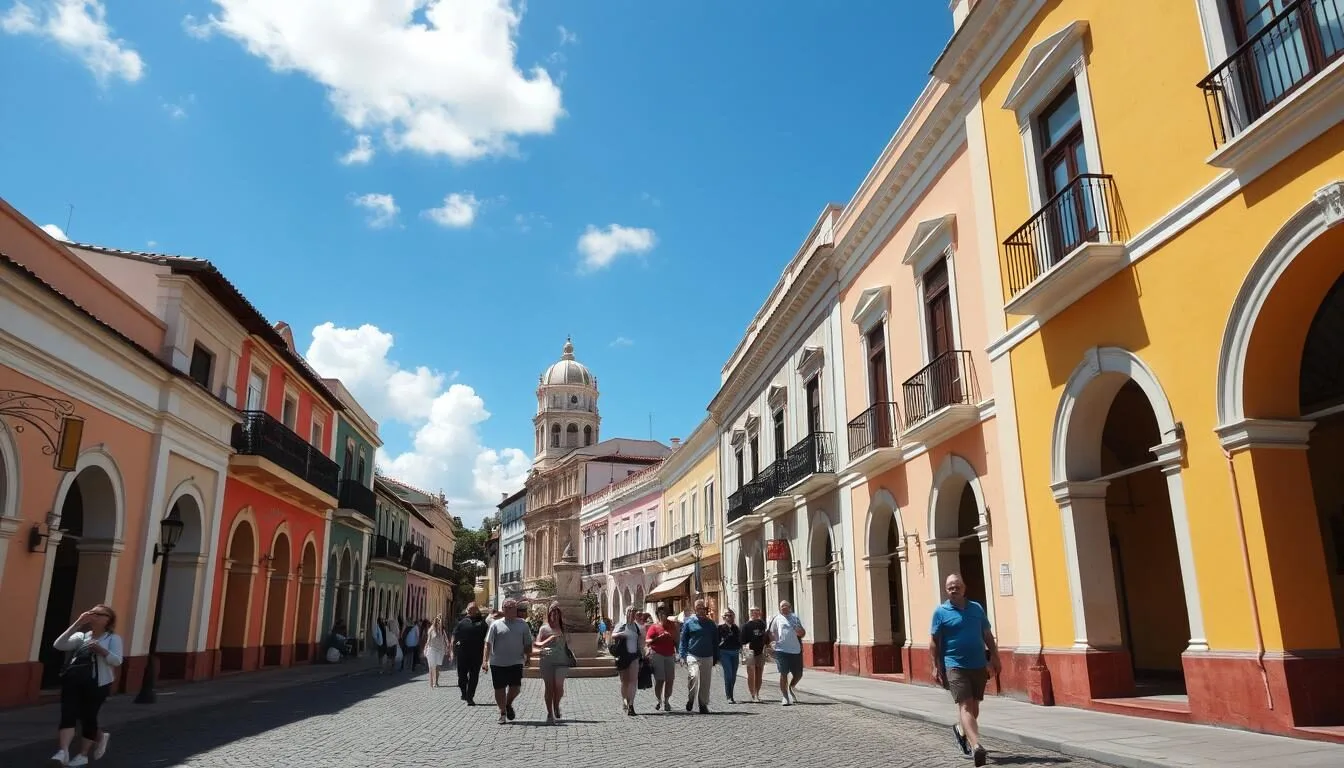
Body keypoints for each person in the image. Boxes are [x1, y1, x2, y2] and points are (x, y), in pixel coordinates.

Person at [931, 573, 1000, 767]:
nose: (954, 589)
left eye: (957, 585)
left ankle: (960, 730)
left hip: (978, 664)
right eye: (950, 587)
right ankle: (977, 745)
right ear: (946, 590)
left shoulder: (977, 608)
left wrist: (994, 656)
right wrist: (935, 665)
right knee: (966, 705)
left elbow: (987, 634)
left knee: (974, 707)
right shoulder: (940, 612)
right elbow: (934, 642)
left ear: (964, 587)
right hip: (954, 665)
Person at [49, 604, 122, 767]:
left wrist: (101, 651)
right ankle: (63, 752)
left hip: (97, 682)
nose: (94, 616)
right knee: (68, 713)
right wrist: (77, 624)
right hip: (73, 680)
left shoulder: (113, 638)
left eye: (99, 614)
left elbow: (117, 661)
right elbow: (59, 645)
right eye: (92, 613)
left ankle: (83, 755)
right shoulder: (82, 636)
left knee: (88, 717)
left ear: (108, 620)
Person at [483, 598, 533, 725]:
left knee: (515, 688)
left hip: (516, 661)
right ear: (503, 609)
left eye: (512, 607)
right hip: (497, 662)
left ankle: (508, 703)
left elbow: (528, 643)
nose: (510, 609)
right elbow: (488, 644)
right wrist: (485, 661)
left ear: (516, 609)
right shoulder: (495, 624)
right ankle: (502, 712)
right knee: (499, 688)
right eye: (507, 607)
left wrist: (529, 658)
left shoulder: (522, 624)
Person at [677, 599, 718, 714]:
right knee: (693, 676)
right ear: (695, 609)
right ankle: (691, 699)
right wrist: (682, 655)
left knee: (705, 682)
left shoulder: (711, 624)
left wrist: (716, 656)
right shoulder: (689, 622)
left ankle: (703, 704)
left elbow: (715, 641)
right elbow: (683, 640)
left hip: (707, 655)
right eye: (698, 608)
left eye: (703, 608)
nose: (701, 610)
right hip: (692, 654)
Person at [534, 602, 573, 724]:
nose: (554, 616)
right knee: (549, 687)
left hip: (562, 661)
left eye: (557, 613)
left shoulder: (564, 628)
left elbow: (569, 643)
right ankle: (550, 713)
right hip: (547, 660)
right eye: (552, 613)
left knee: (559, 686)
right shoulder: (544, 628)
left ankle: (556, 705)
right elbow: (537, 645)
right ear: (549, 614)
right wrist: (548, 640)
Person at [768, 600, 806, 705]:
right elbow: (771, 632)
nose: (783, 607)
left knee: (798, 674)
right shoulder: (776, 619)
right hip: (781, 650)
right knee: (783, 673)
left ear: (790, 607)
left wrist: (800, 632)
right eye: (781, 606)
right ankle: (785, 697)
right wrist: (772, 644)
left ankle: (791, 686)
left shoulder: (795, 618)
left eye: (785, 606)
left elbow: (802, 633)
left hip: (795, 650)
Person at [453, 603, 489, 705]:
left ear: (476, 610)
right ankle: (464, 693)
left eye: (471, 610)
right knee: (461, 676)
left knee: (474, 676)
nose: (468, 612)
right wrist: (453, 647)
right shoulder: (462, 622)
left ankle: (470, 697)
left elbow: (487, 638)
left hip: (477, 654)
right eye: (468, 610)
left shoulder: (482, 623)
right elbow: (455, 635)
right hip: (462, 653)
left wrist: (486, 656)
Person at [610, 607, 644, 715]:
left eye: (634, 613)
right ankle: (625, 700)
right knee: (624, 681)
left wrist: (642, 655)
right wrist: (622, 634)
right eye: (630, 612)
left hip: (634, 656)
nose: (632, 614)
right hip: (623, 656)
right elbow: (613, 635)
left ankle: (631, 705)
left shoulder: (636, 626)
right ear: (626, 613)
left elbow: (640, 641)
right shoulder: (621, 625)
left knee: (633, 680)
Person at [645, 606, 678, 711]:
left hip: (670, 654)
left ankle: (667, 701)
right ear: (657, 615)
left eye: (664, 613)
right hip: (657, 654)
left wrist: (679, 653)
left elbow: (676, 639)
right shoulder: (654, 627)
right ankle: (658, 700)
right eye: (660, 614)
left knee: (670, 679)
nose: (662, 615)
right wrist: (659, 637)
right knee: (660, 679)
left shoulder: (672, 625)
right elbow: (648, 641)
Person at [741, 606, 768, 703]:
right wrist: (745, 652)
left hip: (760, 651)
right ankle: (752, 694)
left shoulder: (762, 624)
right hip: (749, 651)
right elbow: (743, 641)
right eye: (752, 612)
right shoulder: (746, 626)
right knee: (751, 673)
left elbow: (764, 636)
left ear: (759, 613)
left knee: (759, 673)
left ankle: (757, 693)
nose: (755, 613)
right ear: (750, 613)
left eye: (757, 611)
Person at [717, 609, 743, 703]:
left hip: (735, 653)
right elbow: (717, 641)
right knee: (728, 674)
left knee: (733, 675)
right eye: (728, 615)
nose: (730, 617)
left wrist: (741, 648)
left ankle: (731, 693)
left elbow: (739, 640)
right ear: (724, 617)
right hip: (724, 653)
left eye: (732, 615)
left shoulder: (736, 628)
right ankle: (729, 696)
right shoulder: (720, 628)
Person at [423, 616, 450, 688]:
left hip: (439, 650)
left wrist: (447, 646)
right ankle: (433, 683)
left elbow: (446, 639)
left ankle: (435, 682)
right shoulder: (432, 630)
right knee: (433, 666)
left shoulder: (440, 630)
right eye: (438, 622)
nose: (438, 623)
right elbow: (428, 640)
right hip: (433, 650)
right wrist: (425, 648)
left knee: (436, 667)